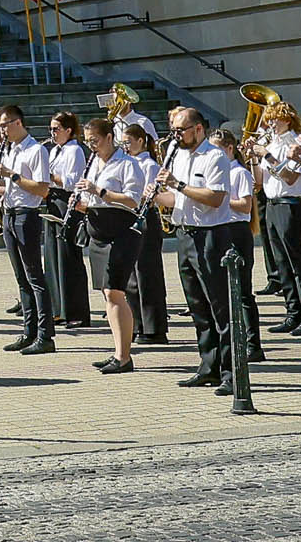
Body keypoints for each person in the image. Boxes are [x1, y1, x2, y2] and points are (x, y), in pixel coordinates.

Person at [159, 104, 259, 390]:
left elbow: (215, 198)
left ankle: (231, 373)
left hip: (211, 236)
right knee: (198, 307)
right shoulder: (177, 155)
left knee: (221, 307)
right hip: (185, 235)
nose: (175, 136)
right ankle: (209, 365)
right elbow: (177, 200)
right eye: (174, 130)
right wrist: (154, 196)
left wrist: (177, 185)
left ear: (198, 129)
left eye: (180, 131)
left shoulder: (216, 157)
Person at [71, 115, 145, 372]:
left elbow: (133, 200)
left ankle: (124, 356)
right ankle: (118, 351)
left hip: (121, 231)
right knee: (107, 293)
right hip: (98, 231)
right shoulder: (92, 163)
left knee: (115, 292)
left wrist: (99, 192)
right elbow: (90, 198)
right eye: (88, 141)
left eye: (95, 141)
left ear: (109, 138)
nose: (91, 146)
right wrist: (81, 203)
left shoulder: (128, 164)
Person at [0, 105, 58, 353]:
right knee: (21, 278)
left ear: (18, 123)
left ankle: (45, 335)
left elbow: (42, 189)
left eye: (5, 125)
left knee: (35, 277)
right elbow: (11, 187)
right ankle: (28, 331)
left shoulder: (36, 150)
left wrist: (12, 175)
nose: (2, 130)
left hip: (26, 216)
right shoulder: (7, 150)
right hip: (9, 214)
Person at [253, 102, 301, 336]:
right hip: (272, 204)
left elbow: (290, 178)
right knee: (281, 262)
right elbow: (258, 181)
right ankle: (292, 313)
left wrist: (268, 157)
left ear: (288, 120)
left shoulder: (295, 143)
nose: (270, 123)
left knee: (297, 261)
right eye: (269, 119)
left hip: (290, 205)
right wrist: (253, 157)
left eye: (275, 119)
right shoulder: (270, 143)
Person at [119, 112, 172, 343]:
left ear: (141, 141)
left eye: (128, 142)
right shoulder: (127, 162)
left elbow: (150, 193)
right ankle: (137, 323)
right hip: (129, 217)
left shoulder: (149, 164)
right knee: (131, 276)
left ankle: (154, 328)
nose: (126, 147)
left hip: (146, 218)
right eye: (123, 143)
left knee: (147, 274)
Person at [43, 111, 93, 330]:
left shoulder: (74, 151)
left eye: (56, 129)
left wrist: (48, 175)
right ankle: (59, 310)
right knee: (53, 256)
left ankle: (77, 311)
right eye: (51, 129)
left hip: (67, 201)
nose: (52, 133)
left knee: (68, 257)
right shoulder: (55, 150)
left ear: (69, 130)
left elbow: (72, 182)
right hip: (53, 200)